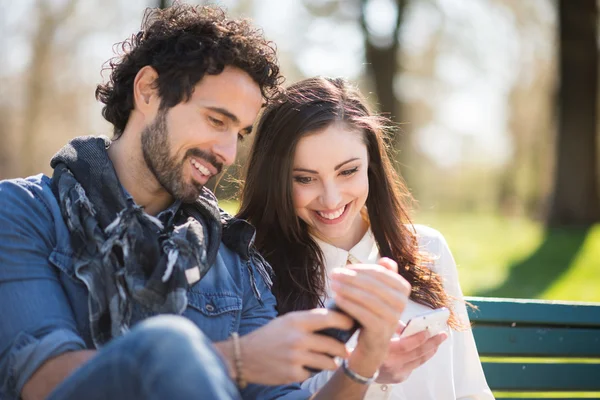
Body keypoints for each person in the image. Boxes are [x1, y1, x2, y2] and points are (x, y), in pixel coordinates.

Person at [0, 6, 411, 400]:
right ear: (147, 90)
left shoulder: (235, 258)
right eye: (216, 121)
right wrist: (238, 359)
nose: (227, 153)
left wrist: (365, 358)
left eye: (239, 133)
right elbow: (45, 383)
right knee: (167, 343)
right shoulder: (24, 213)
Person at [237, 77, 495, 399]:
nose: (331, 200)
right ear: (274, 181)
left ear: (370, 166)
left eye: (347, 172)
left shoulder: (429, 249)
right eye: (305, 178)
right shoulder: (252, 272)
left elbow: (470, 389)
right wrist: (364, 368)